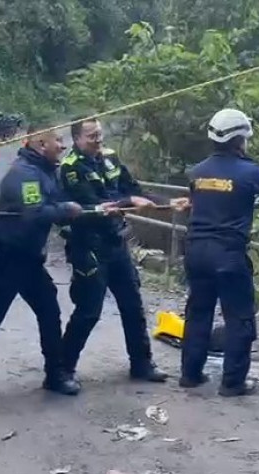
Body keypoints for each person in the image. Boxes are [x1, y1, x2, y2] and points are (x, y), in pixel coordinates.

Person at [170, 109, 259, 396]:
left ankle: (190, 375)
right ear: (240, 139)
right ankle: (233, 382)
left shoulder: (198, 171)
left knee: (198, 313)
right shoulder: (251, 171)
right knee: (239, 318)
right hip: (227, 254)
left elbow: (215, 200)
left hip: (196, 251)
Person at [0, 125, 84, 403]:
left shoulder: (47, 171)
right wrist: (66, 210)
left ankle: (55, 374)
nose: (63, 145)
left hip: (29, 259)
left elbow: (56, 203)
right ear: (40, 144)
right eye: (58, 140)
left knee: (49, 311)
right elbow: (34, 213)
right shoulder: (24, 174)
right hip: (3, 258)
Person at [58, 117, 168, 390]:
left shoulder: (110, 158)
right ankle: (62, 370)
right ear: (77, 139)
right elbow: (94, 205)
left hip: (117, 243)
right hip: (89, 246)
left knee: (132, 305)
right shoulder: (71, 168)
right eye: (91, 136)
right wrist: (129, 201)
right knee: (89, 311)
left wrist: (167, 203)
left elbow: (133, 189)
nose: (98, 140)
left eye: (99, 134)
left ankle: (141, 363)